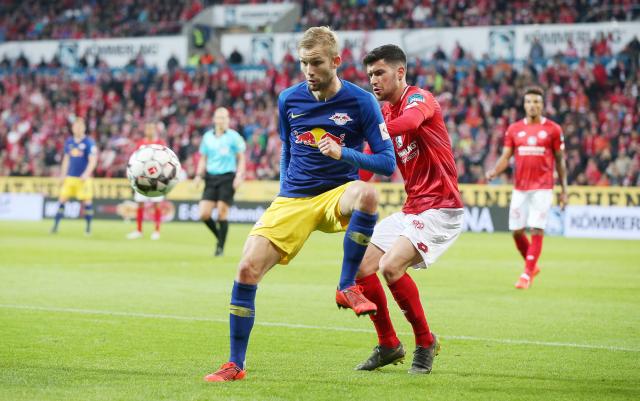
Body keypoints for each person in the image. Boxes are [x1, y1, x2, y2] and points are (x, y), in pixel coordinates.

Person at [203, 26, 396, 382]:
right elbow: (288, 149)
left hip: (338, 193)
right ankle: (235, 364)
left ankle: (345, 285)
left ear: (336, 62)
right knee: (246, 269)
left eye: (316, 63)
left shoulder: (361, 101)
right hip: (293, 198)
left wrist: (345, 153)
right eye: (304, 63)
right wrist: (283, 190)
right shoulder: (288, 99)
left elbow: (387, 162)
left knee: (368, 195)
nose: (309, 71)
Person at [352, 44, 464, 375]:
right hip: (413, 208)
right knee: (360, 267)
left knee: (390, 266)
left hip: (442, 207)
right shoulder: (384, 114)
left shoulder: (419, 99)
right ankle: (388, 344)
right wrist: (338, 185)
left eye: (380, 72)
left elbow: (412, 121)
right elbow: (372, 162)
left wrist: (374, 131)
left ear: (400, 72)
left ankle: (425, 341)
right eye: (370, 74)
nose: (373, 80)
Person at [486, 86, 567, 289]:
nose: (533, 105)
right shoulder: (514, 129)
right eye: (529, 101)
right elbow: (506, 157)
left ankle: (526, 274)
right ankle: (532, 265)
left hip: (543, 187)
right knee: (516, 231)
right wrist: (494, 171)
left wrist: (564, 190)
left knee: (537, 228)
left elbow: (560, 161)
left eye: (537, 102)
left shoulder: (553, 129)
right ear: (524, 104)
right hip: (520, 187)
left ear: (542, 104)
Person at [194, 107, 246, 257]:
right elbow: (203, 158)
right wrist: (198, 175)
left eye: (224, 117)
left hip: (227, 177)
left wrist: (239, 175)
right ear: (214, 119)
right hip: (210, 177)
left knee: (222, 213)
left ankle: (220, 248)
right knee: (204, 214)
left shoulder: (234, 137)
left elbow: (241, 158)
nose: (222, 120)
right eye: (219, 117)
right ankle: (220, 237)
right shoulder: (207, 137)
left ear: (228, 120)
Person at [51, 116, 98, 235]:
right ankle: (55, 227)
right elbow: (66, 159)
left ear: (84, 128)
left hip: (83, 179)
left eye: (80, 126)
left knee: (87, 202)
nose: (77, 129)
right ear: (72, 128)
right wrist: (63, 175)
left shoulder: (89, 142)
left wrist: (86, 174)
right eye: (75, 126)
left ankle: (88, 228)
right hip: (70, 178)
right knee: (61, 200)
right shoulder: (69, 141)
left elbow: (93, 160)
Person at [126, 122, 167, 240]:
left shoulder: (161, 143)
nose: (149, 130)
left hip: (157, 179)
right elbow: (135, 160)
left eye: (151, 128)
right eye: (147, 128)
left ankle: (157, 231)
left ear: (155, 130)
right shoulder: (140, 144)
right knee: (140, 203)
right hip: (142, 179)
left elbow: (165, 160)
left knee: (157, 204)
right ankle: (139, 230)